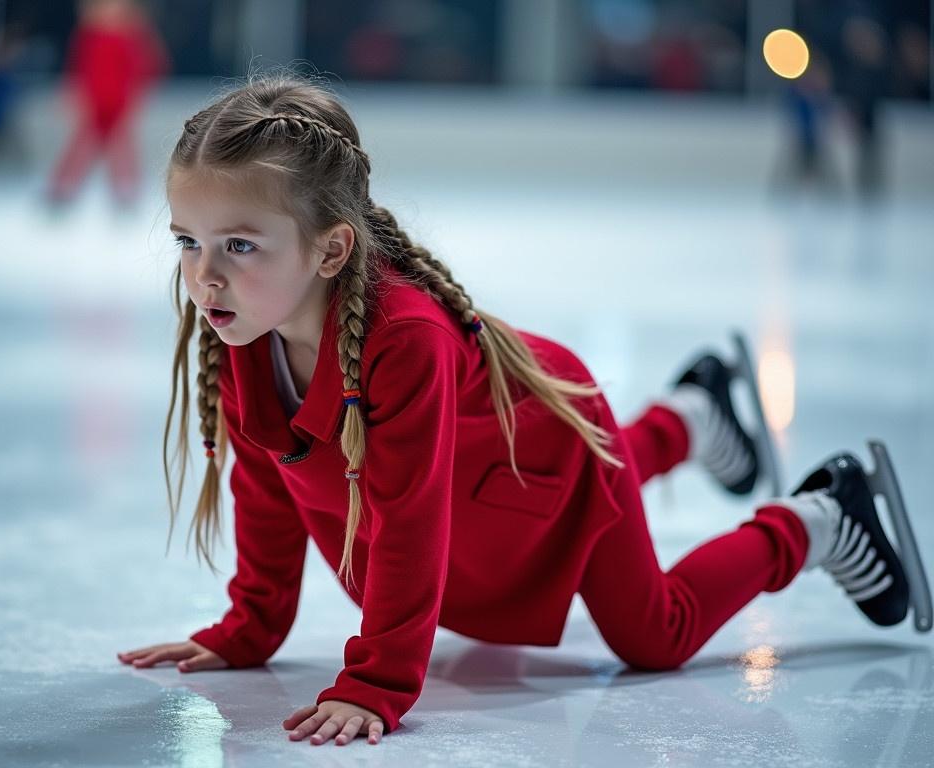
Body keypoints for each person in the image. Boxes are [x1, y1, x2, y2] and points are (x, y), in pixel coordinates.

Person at [117, 71, 929, 746]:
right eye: (189, 241)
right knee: (554, 517)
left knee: (656, 636)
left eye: (240, 244)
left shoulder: (406, 341)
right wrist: (251, 629)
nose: (205, 276)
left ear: (332, 248)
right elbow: (271, 478)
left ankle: (822, 516)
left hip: (548, 445)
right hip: (484, 475)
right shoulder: (243, 319)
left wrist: (377, 684)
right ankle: (691, 421)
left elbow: (405, 521)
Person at [45, 0, 169, 208]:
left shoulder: (132, 35)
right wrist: (71, 94)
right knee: (82, 147)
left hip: (119, 102)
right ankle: (61, 190)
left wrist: (139, 92)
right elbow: (77, 67)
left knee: (121, 149)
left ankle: (126, 194)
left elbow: (151, 65)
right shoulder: (89, 35)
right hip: (94, 102)